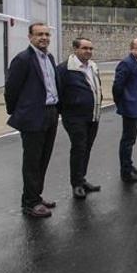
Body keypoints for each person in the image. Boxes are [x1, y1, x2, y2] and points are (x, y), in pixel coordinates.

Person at [4, 22, 60, 218]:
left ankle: (35, 195)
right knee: (32, 160)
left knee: (44, 158)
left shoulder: (49, 58)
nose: (44, 37)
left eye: (46, 34)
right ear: (30, 37)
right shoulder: (23, 59)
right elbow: (11, 89)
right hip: (32, 116)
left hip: (51, 113)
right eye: (39, 34)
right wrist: (18, 112)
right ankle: (29, 203)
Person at [57, 37, 103, 199]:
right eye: (85, 48)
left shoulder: (93, 66)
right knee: (79, 148)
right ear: (75, 49)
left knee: (86, 148)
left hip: (93, 115)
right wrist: (66, 111)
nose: (88, 51)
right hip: (75, 117)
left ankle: (82, 179)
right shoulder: (65, 69)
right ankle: (76, 184)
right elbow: (58, 92)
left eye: (90, 48)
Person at [113, 38, 137, 183]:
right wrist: (122, 103)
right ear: (131, 49)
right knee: (127, 141)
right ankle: (126, 172)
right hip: (130, 108)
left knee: (131, 139)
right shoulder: (126, 63)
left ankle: (129, 165)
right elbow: (117, 87)